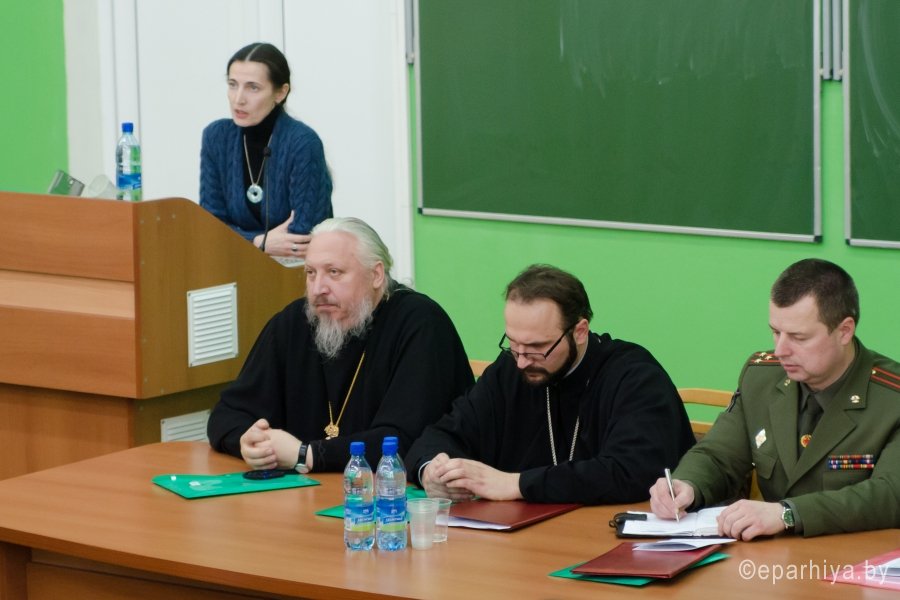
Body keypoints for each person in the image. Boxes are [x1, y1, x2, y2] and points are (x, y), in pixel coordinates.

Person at [649, 258, 900, 539]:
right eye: (776, 332)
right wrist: (687, 484)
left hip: (857, 557)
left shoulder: (892, 399)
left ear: (844, 331)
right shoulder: (762, 378)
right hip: (772, 557)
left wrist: (788, 514)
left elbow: (889, 495)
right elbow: (719, 456)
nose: (780, 350)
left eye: (798, 337)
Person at [405, 265, 695, 505]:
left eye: (537, 348)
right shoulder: (509, 370)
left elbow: (631, 472)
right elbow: (440, 434)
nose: (522, 361)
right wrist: (431, 470)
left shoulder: (634, 376)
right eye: (513, 344)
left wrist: (515, 484)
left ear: (579, 331)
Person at [207, 217, 474, 472]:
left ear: (376, 275)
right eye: (311, 273)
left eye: (334, 273)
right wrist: (248, 441)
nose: (318, 289)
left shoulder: (420, 324)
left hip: (388, 495)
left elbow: (407, 439)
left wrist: (308, 455)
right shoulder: (293, 323)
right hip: (307, 493)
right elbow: (228, 413)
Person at [200, 42, 333, 257]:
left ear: (280, 93)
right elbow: (209, 228)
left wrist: (239, 239)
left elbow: (302, 238)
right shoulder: (216, 137)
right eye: (233, 84)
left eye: (253, 87)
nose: (238, 99)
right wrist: (257, 242)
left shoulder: (302, 142)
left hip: (297, 268)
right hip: (232, 265)